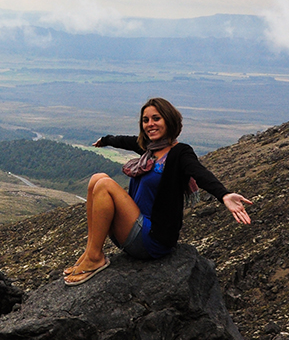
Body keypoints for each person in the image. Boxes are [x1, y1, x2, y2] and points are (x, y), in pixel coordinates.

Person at [63, 97, 253, 285]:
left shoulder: (180, 153)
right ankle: (90, 252)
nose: (150, 124)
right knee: (97, 178)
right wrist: (105, 140)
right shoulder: (150, 149)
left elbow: (199, 172)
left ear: (169, 120)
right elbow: (127, 141)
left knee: (105, 185)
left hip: (153, 239)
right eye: (146, 120)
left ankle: (95, 258)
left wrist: (224, 194)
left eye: (156, 118)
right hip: (134, 227)